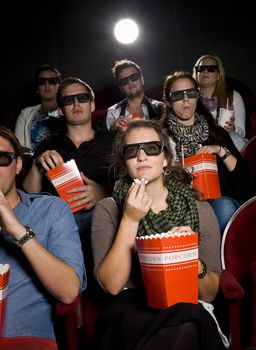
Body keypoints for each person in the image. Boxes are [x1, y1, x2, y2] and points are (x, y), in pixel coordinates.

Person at [90, 119, 227, 350]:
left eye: (151, 148)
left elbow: (210, 293)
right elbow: (112, 286)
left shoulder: (200, 210)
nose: (141, 156)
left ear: (165, 158)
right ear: (125, 162)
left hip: (187, 304)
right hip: (132, 307)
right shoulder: (108, 209)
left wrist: (188, 256)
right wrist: (130, 219)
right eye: (132, 151)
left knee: (186, 321)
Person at [0, 126, 85, 347]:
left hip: (23, 338)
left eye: (2, 158)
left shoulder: (50, 209)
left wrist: (17, 230)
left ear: (18, 165)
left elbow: (69, 292)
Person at [23, 77, 114, 254]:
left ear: (92, 105)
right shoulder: (47, 145)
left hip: (101, 221)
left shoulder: (113, 143)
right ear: (61, 110)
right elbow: (28, 195)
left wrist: (104, 192)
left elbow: (131, 186)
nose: (76, 103)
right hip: (57, 225)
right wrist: (37, 165)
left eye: (82, 98)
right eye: (68, 100)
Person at [161, 71, 252, 233]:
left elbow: (243, 176)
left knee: (224, 206)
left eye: (191, 93)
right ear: (168, 101)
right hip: (178, 204)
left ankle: (224, 257)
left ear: (198, 96)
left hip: (216, 201)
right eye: (177, 95)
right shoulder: (160, 136)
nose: (186, 99)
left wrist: (219, 150)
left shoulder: (216, 133)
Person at [192, 55, 248, 151]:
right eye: (201, 69)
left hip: (230, 143)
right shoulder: (189, 97)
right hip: (200, 145)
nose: (205, 71)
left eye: (211, 69)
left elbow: (242, 132)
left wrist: (234, 129)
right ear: (196, 73)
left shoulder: (233, 96)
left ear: (218, 75)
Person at [105, 58, 164, 133]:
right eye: (124, 81)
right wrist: (114, 129)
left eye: (134, 77)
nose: (130, 82)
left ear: (142, 80)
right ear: (121, 88)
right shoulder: (112, 112)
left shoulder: (159, 107)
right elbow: (105, 141)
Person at [14, 64, 63, 152]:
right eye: (41, 81)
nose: (47, 85)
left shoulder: (69, 110)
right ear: (37, 87)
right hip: (32, 163)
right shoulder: (25, 113)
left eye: (52, 81)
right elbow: (18, 146)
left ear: (59, 86)